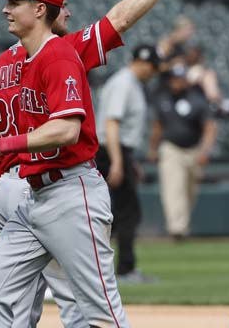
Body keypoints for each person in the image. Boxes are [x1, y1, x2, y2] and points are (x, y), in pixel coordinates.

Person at [0, 0, 180, 326]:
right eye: (63, 1)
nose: (5, 8)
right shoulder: (57, 52)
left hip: (61, 187)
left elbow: (63, 132)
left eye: (13, 1)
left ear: (37, 9)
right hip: (32, 190)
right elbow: (118, 19)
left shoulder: (41, 60)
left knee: (93, 311)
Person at [95, 44, 161, 284]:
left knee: (119, 212)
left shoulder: (130, 83)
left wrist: (127, 161)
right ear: (141, 63)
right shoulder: (124, 83)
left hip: (119, 151)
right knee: (126, 213)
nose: (153, 72)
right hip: (111, 150)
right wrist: (117, 162)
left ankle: (116, 269)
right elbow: (111, 124)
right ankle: (124, 270)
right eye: (152, 67)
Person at [147, 63, 216, 240]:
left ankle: (181, 224)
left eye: (179, 79)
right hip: (171, 149)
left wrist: (205, 151)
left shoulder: (196, 99)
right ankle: (177, 229)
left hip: (193, 149)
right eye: (173, 79)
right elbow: (157, 127)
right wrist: (153, 148)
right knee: (173, 188)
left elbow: (209, 127)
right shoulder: (163, 99)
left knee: (189, 191)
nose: (176, 83)